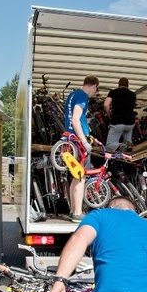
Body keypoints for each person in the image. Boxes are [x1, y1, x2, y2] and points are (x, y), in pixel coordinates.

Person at [65, 75, 100, 223]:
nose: (93, 94)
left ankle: (73, 211)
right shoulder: (82, 96)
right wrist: (84, 141)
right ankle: (78, 212)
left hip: (71, 139)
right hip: (78, 140)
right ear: (94, 86)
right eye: (95, 91)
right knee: (81, 177)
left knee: (76, 176)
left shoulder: (72, 94)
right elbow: (76, 119)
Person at [103, 78, 137, 153]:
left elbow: (106, 105)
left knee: (109, 145)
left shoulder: (113, 92)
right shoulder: (132, 94)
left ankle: (121, 146)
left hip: (118, 122)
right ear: (128, 85)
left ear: (118, 84)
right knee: (128, 145)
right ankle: (128, 148)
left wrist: (109, 114)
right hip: (130, 124)